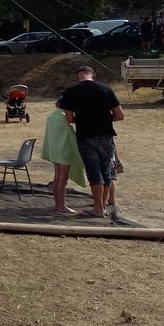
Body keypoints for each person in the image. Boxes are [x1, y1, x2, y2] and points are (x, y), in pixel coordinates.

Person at [57, 65, 125, 218]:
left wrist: (82, 119)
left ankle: (98, 208)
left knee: (93, 171)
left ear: (78, 76)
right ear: (93, 75)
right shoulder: (106, 89)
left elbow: (69, 118)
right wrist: (105, 118)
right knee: (105, 170)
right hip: (106, 135)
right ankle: (103, 205)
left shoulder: (71, 90)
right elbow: (120, 115)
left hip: (86, 136)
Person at [40, 99, 86, 214]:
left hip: (55, 150)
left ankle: (58, 204)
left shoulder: (51, 117)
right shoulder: (64, 117)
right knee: (63, 179)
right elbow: (71, 134)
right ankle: (61, 205)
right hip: (64, 151)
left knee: (57, 177)